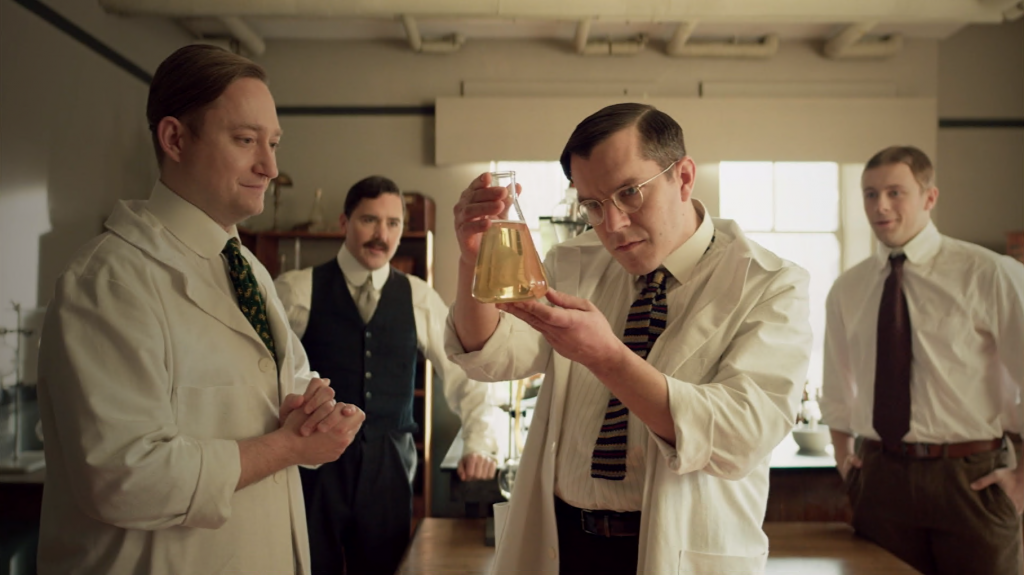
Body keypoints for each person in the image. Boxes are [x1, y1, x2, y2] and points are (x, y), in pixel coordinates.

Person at [35, 44, 365, 575]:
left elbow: (284, 387)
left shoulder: (246, 269)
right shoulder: (109, 282)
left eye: (274, 143)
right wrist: (287, 447)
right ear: (174, 138)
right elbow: (123, 476)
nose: (271, 166)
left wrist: (315, 410)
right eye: (246, 140)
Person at [445, 102, 813, 574]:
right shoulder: (573, 262)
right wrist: (472, 259)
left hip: (676, 551)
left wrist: (608, 359)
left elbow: (742, 433)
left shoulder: (770, 284)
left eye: (629, 193)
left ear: (682, 177)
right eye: (592, 205)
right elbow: (490, 356)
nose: (612, 224)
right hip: (565, 544)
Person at [274, 175, 500, 575]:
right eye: (369, 220)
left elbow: (466, 374)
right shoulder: (295, 290)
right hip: (312, 463)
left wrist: (479, 443)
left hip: (390, 464)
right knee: (308, 566)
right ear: (344, 222)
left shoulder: (419, 296)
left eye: (393, 223)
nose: (382, 235)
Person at [820, 145, 1024, 575]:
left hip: (971, 481)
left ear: (929, 197)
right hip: (880, 477)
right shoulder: (848, 288)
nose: (881, 205)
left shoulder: (990, 273)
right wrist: (846, 464)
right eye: (870, 194)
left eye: (896, 192)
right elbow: (838, 386)